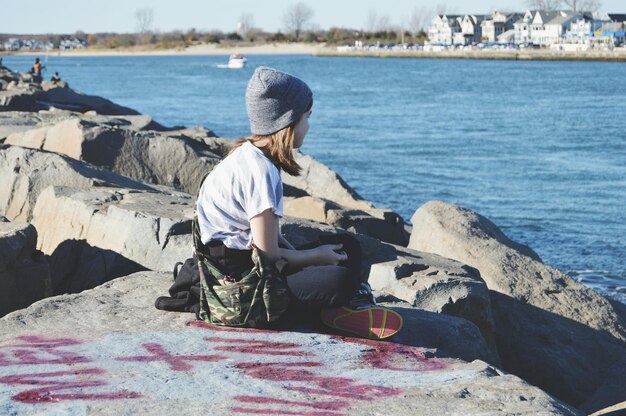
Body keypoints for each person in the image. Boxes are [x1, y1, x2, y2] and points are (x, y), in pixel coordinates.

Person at [195, 67, 403, 339]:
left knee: (347, 246)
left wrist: (316, 259)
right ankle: (331, 308)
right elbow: (267, 255)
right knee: (341, 279)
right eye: (307, 117)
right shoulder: (260, 172)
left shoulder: (248, 155)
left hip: (242, 263)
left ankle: (335, 308)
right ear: (287, 122)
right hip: (243, 284)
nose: (309, 126)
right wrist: (317, 258)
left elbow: (273, 242)